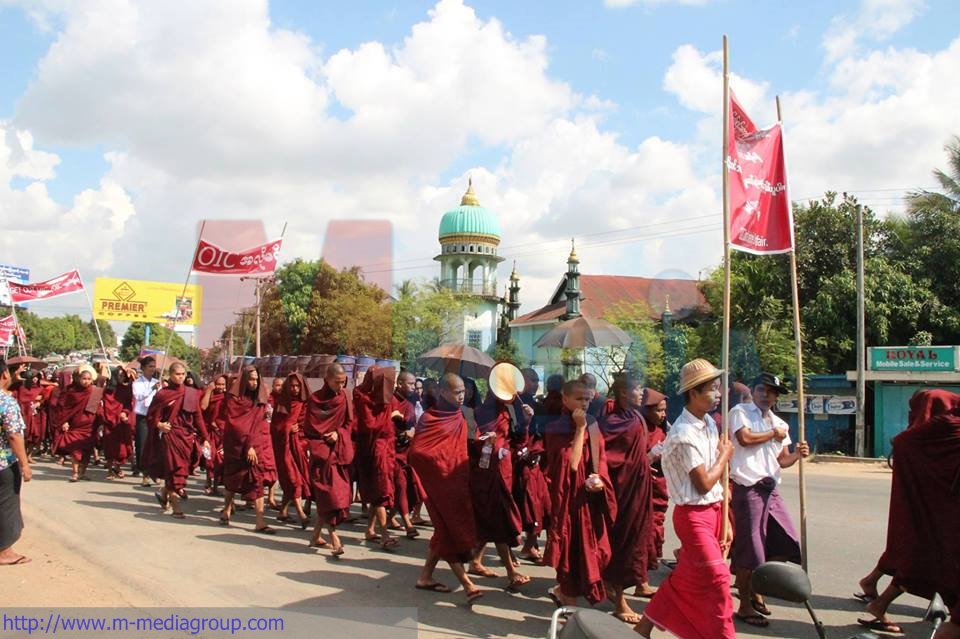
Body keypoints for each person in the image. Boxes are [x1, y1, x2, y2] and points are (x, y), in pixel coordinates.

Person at [634, 358, 735, 639]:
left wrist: (725, 518)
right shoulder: (683, 433)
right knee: (718, 579)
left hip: (714, 511)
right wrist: (726, 455)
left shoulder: (710, 425)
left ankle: (644, 626)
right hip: (693, 516)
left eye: (717, 388)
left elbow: (719, 482)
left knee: (687, 577)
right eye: (712, 389)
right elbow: (702, 483)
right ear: (693, 393)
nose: (717, 395)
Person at [855, 389, 960, 634]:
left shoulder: (943, 428)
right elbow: (904, 444)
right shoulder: (945, 427)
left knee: (916, 557)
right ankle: (879, 601)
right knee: (920, 559)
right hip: (940, 513)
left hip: (940, 509)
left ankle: (875, 593)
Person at [728, 372, 809, 628]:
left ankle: (754, 586)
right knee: (750, 548)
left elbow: (782, 460)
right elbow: (745, 438)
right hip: (747, 487)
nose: (767, 395)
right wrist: (773, 434)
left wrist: (797, 454)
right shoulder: (740, 412)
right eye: (762, 390)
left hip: (770, 489)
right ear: (754, 391)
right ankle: (744, 604)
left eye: (772, 392)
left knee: (786, 541)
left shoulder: (780, 424)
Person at [408, 373, 484, 605]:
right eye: (456, 391)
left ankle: (425, 576)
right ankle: (467, 584)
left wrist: (483, 442)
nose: (462, 396)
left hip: (456, 483)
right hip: (437, 484)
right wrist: (440, 464)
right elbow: (418, 452)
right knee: (448, 530)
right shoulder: (430, 418)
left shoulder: (460, 418)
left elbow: (463, 448)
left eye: (463, 391)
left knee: (443, 531)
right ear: (443, 392)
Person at [543, 379, 617, 607]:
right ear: (565, 399)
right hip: (567, 501)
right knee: (570, 554)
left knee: (599, 551)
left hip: (588, 500)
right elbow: (571, 465)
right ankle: (568, 608)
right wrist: (580, 429)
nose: (584, 403)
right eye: (578, 398)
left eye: (587, 399)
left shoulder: (593, 425)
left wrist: (600, 480)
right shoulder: (556, 427)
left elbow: (601, 460)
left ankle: (563, 596)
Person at [467, 363, 531, 591]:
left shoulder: (508, 409)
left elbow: (518, 440)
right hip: (487, 472)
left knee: (491, 519)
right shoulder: (483, 411)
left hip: (504, 469)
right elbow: (473, 441)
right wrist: (487, 440)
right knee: (499, 520)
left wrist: (525, 421)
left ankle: (475, 560)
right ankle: (511, 571)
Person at [599, 374, 654, 623]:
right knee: (623, 544)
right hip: (623, 493)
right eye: (637, 388)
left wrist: (645, 462)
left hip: (639, 489)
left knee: (637, 541)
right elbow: (608, 457)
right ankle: (619, 601)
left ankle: (616, 587)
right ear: (623, 393)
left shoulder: (636, 417)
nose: (641, 393)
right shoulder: (612, 422)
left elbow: (636, 453)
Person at [303, 363, 354, 555]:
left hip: (338, 453)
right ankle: (335, 540)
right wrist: (324, 438)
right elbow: (310, 428)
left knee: (332, 497)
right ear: (327, 380)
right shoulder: (315, 400)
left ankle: (315, 536)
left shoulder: (345, 397)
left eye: (343, 382)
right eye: (337, 382)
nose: (340, 387)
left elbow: (349, 423)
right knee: (329, 497)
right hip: (321, 453)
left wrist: (338, 434)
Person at [148, 363, 210, 519]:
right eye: (177, 374)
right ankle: (176, 508)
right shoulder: (163, 394)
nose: (181, 377)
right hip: (171, 436)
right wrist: (159, 424)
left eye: (183, 374)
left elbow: (197, 417)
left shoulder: (192, 393)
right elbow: (151, 415)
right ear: (170, 375)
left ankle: (163, 495)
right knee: (172, 470)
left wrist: (205, 438)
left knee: (181, 470)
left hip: (186, 437)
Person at [219, 366, 275, 534]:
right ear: (244, 380)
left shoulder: (259, 400)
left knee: (257, 481)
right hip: (236, 445)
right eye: (251, 379)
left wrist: (252, 445)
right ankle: (227, 509)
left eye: (256, 379)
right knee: (233, 479)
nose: (254, 382)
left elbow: (258, 424)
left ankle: (259, 521)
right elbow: (235, 424)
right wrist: (247, 446)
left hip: (255, 444)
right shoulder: (234, 399)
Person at [354, 365, 400, 551]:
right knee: (380, 491)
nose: (393, 386)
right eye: (390, 382)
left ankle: (370, 529)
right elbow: (369, 425)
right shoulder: (364, 399)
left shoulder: (387, 401)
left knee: (378, 489)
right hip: (373, 450)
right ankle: (384, 535)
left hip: (386, 449)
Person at [515, 367, 550, 564]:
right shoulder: (514, 403)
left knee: (538, 505)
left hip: (536, 460)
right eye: (532, 380)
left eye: (538, 380)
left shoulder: (537, 404)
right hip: (519, 461)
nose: (536, 384)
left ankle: (530, 545)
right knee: (524, 505)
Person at [1, 359, 32, 565]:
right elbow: (14, 435)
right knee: (6, 504)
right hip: (4, 463)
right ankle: (4, 551)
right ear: (4, 374)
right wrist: (25, 464)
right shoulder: (6, 402)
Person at [638, 387, 669, 592]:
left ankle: (643, 580)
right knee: (643, 535)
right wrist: (646, 460)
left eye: (665, 410)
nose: (663, 414)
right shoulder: (638, 429)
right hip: (642, 492)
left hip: (659, 488)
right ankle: (641, 581)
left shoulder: (662, 430)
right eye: (658, 410)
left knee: (654, 533)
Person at [271, 372, 312, 527]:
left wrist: (300, 428)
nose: (294, 389)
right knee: (293, 478)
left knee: (295, 478)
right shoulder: (282, 403)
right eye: (292, 386)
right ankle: (301, 514)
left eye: (297, 386)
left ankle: (283, 511)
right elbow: (275, 425)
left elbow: (310, 423)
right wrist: (288, 427)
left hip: (301, 445)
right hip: (284, 445)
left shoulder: (306, 403)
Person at [55, 364, 102, 482]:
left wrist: (100, 412)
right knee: (75, 448)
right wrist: (64, 421)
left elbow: (99, 410)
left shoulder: (95, 391)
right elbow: (64, 407)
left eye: (89, 379)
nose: (86, 381)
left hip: (90, 424)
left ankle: (83, 473)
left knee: (87, 450)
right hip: (76, 424)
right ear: (78, 379)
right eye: (84, 379)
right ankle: (75, 472)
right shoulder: (72, 391)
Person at [391, 370, 423, 539]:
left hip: (404, 451)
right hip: (390, 450)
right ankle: (407, 523)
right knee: (399, 485)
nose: (413, 387)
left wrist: (405, 425)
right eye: (410, 384)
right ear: (400, 383)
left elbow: (409, 424)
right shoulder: (390, 400)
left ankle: (383, 522)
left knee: (402, 486)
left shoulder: (410, 405)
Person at [99, 367, 135, 480]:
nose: (122, 378)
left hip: (121, 421)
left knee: (123, 447)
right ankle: (110, 470)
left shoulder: (125, 389)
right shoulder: (107, 390)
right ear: (114, 376)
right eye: (120, 375)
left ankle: (117, 467)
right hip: (108, 421)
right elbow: (101, 404)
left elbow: (129, 404)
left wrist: (125, 412)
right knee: (110, 448)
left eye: (123, 376)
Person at [132, 357, 159, 485]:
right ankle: (144, 474)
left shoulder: (157, 382)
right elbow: (138, 396)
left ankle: (155, 472)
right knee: (142, 445)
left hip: (154, 417)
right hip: (142, 417)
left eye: (154, 366)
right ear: (143, 368)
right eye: (150, 366)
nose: (152, 369)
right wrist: (151, 389)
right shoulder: (137, 382)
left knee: (155, 445)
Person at [200, 375, 228, 495]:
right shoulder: (210, 394)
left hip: (222, 432)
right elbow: (203, 406)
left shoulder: (227, 397)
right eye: (218, 384)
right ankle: (208, 483)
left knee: (219, 460)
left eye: (223, 385)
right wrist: (209, 390)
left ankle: (216, 486)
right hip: (209, 431)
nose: (220, 387)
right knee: (209, 458)